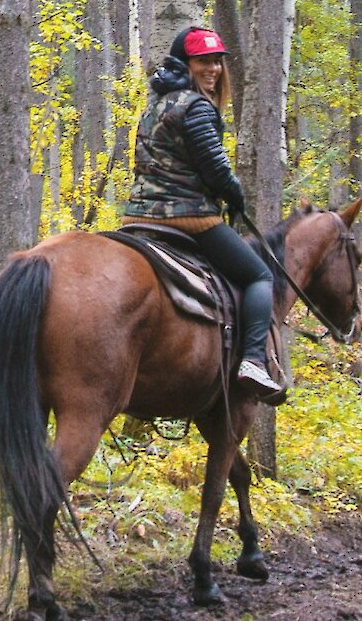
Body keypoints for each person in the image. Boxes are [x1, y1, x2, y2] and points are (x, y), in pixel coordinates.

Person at [118, 27, 283, 403]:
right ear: (185, 63)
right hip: (188, 217)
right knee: (259, 274)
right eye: (203, 61)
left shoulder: (155, 104)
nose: (212, 69)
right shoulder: (196, 106)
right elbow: (215, 169)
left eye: (216, 61)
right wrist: (236, 196)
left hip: (138, 219)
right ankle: (253, 361)